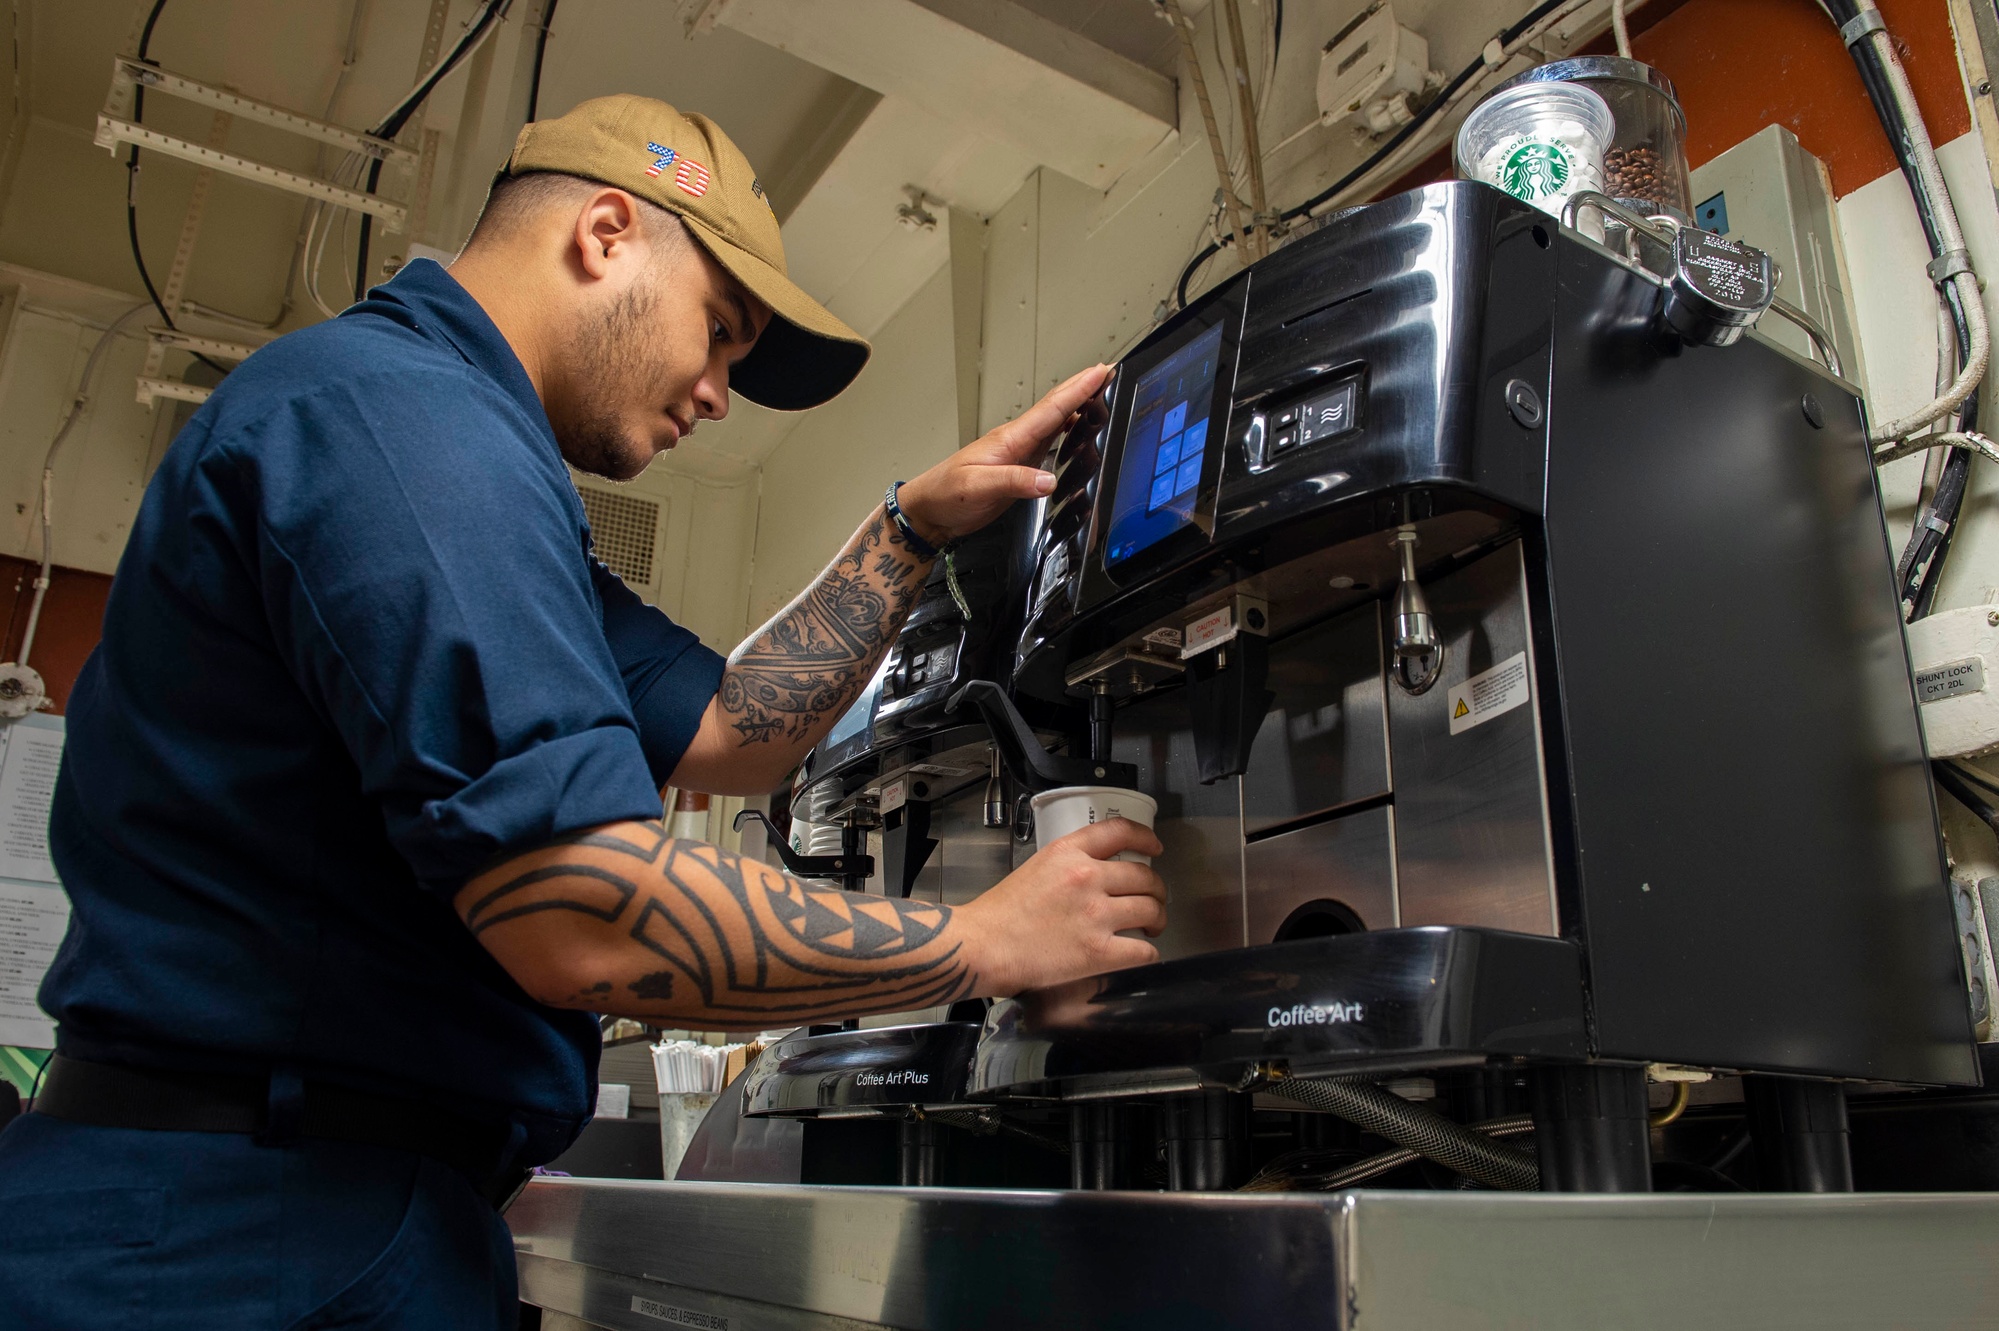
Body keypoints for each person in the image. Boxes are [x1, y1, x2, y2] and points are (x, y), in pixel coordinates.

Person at [0, 95, 1165, 1329]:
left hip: (321, 1201)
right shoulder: (406, 423)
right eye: (718, 333)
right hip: (234, 1233)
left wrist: (908, 531)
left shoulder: (461, 457)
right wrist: (984, 939)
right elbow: (584, 917)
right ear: (606, 230)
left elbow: (732, 728)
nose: (720, 393)